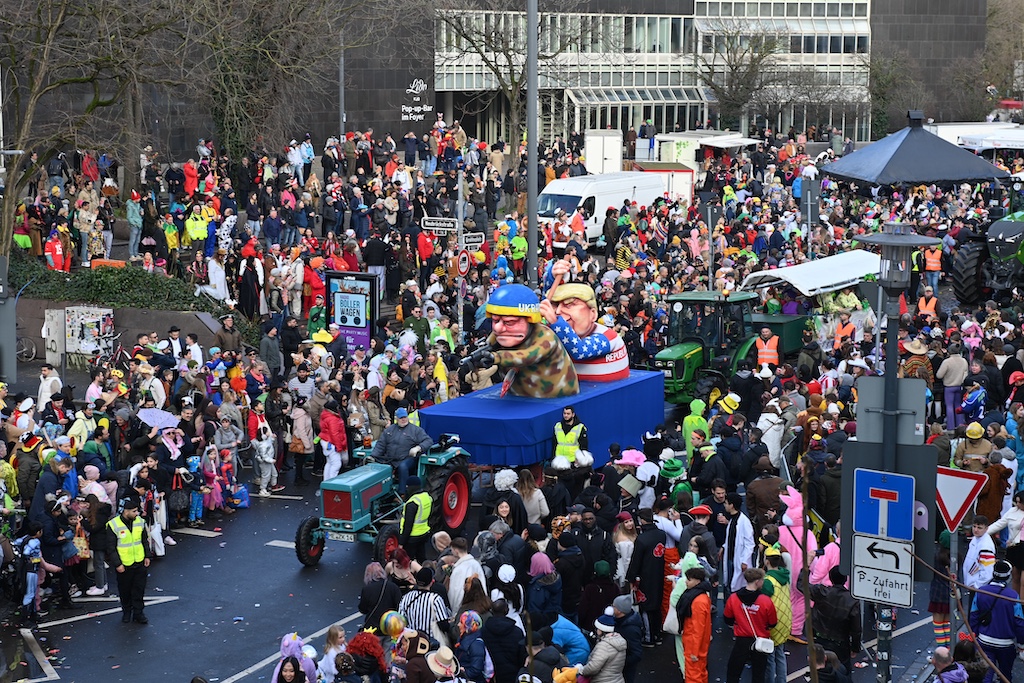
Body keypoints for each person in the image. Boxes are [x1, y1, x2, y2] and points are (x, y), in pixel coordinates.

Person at [462, 283, 578, 399]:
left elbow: (528, 356)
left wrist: (496, 357)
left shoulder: (545, 336)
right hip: (518, 396)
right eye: (496, 321)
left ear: (529, 320)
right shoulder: (501, 335)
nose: (498, 328)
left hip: (553, 397)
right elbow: (490, 344)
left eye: (509, 322)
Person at [539, 261, 627, 382]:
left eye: (569, 305)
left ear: (593, 314)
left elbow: (579, 350)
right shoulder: (557, 332)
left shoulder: (608, 336)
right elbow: (545, 302)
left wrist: (554, 320)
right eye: (556, 305)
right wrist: (552, 277)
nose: (558, 311)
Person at [968, 559, 1024, 683]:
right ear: (1008, 576)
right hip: (1006, 644)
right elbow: (1019, 622)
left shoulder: (981, 592)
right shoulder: (1013, 596)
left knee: (986, 676)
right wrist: (1021, 644)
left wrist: (975, 633)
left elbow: (973, 616)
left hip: (984, 641)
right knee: (1005, 676)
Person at [723, 568, 777, 683]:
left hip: (741, 641)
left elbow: (728, 619)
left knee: (733, 672)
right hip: (760, 641)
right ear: (757, 582)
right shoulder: (766, 601)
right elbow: (772, 623)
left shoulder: (733, 598)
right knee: (758, 675)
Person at [105, 497, 153, 624]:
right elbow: (111, 547)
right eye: (134, 511)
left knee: (139, 589)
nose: (137, 513)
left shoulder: (140, 522)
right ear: (125, 511)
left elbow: (144, 541)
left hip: (139, 561)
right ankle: (127, 612)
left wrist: (147, 556)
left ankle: (138, 613)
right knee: (125, 590)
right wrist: (117, 564)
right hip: (124, 564)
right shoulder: (113, 525)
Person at [625, 508, 667, 647]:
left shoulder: (642, 539)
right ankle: (657, 634)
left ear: (641, 520)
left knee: (646, 607)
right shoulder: (661, 535)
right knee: (656, 606)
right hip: (659, 574)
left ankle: (649, 637)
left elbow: (635, 561)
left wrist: (631, 578)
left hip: (645, 577)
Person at [810, 567, 861, 673]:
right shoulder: (852, 601)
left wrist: (805, 568)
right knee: (842, 672)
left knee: (820, 671)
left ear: (830, 578)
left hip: (820, 639)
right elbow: (856, 629)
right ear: (845, 580)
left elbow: (802, 585)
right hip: (840, 644)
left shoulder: (822, 592)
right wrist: (855, 648)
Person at [371, 407, 433, 494]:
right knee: (378, 466)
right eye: (401, 418)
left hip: (407, 458)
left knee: (402, 467)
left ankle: (402, 493)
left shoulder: (415, 430)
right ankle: (380, 491)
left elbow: (428, 441)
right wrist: (373, 457)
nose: (403, 419)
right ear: (396, 418)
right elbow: (381, 444)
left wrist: (418, 448)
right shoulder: (389, 430)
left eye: (404, 417)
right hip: (390, 458)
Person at [672, 566, 712, 683]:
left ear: (697, 581)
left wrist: (694, 651)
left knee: (693, 676)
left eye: (689, 579)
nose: (686, 582)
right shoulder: (702, 597)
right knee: (701, 673)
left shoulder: (697, 601)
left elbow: (697, 629)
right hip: (698, 644)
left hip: (693, 645)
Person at [399, 567, 452, 644]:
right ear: (431, 582)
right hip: (431, 642)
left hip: (411, 642)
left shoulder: (406, 597)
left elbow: (401, 620)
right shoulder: (435, 599)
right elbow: (443, 625)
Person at [574, 612, 627, 683]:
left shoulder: (604, 646)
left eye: (597, 628)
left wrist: (581, 670)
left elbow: (593, 668)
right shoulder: (619, 641)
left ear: (601, 630)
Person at [963, 514, 996, 614]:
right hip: (972, 585)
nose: (976, 530)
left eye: (979, 528)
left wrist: (977, 585)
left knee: (974, 616)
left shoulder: (986, 546)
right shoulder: (976, 539)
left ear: (986, 529)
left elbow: (988, 570)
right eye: (974, 526)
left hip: (978, 588)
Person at [358, 561, 403, 630]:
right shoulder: (393, 587)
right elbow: (399, 606)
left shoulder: (367, 589)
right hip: (390, 625)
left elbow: (363, 609)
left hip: (373, 626)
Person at [400, 476, 432, 561]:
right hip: (424, 533)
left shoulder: (412, 503)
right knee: (421, 558)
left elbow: (408, 526)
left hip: (412, 537)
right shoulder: (427, 497)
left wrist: (401, 543)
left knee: (407, 561)